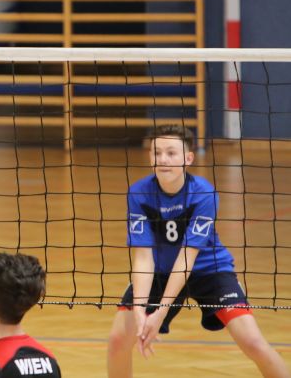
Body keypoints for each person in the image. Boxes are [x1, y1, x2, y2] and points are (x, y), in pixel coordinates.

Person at [106, 125, 289, 378]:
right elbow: (143, 257)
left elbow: (187, 257)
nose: (163, 159)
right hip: (160, 272)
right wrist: (139, 309)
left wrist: (160, 312)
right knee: (118, 340)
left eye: (171, 153)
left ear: (188, 158)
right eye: (157, 153)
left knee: (253, 342)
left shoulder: (203, 193)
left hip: (209, 270)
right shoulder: (139, 192)